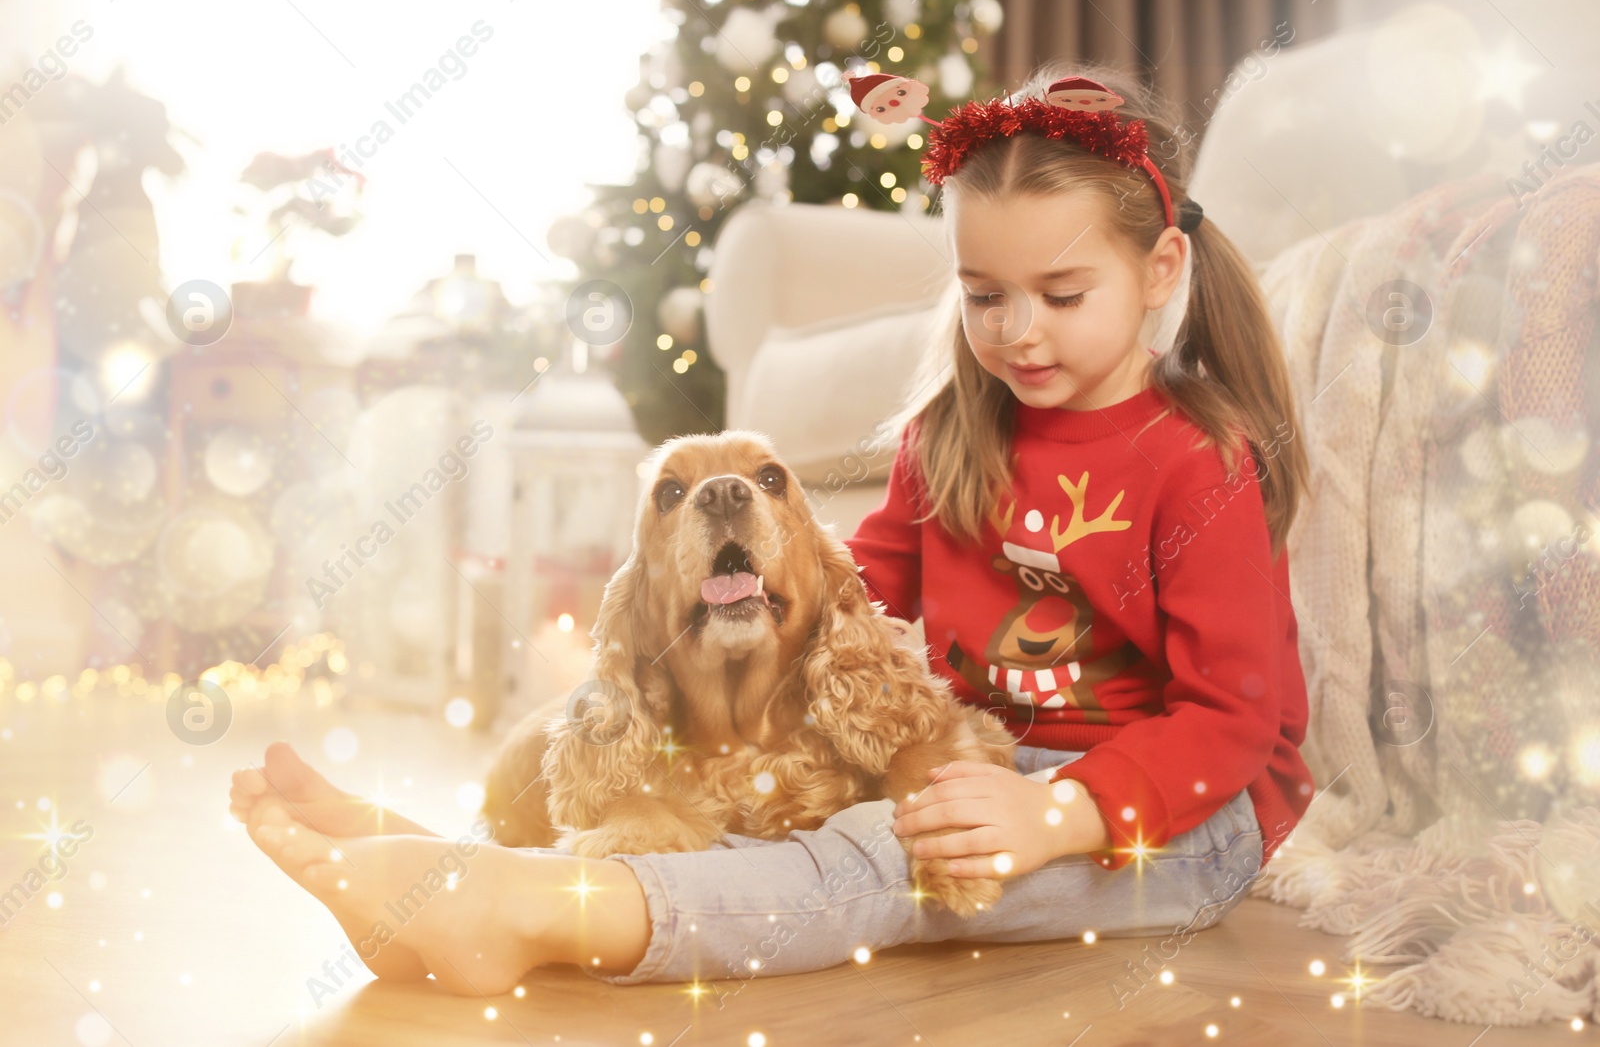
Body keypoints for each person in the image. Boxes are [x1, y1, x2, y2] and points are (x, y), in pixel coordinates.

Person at [230, 59, 1313, 996]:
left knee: (882, 860)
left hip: (1175, 816)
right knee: (777, 789)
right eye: (984, 295)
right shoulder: (952, 431)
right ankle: (464, 857)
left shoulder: (1198, 461)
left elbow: (1233, 723)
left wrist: (1055, 817)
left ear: (1158, 271)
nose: (1016, 332)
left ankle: (539, 913)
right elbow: (846, 588)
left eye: (1062, 294)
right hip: (983, 761)